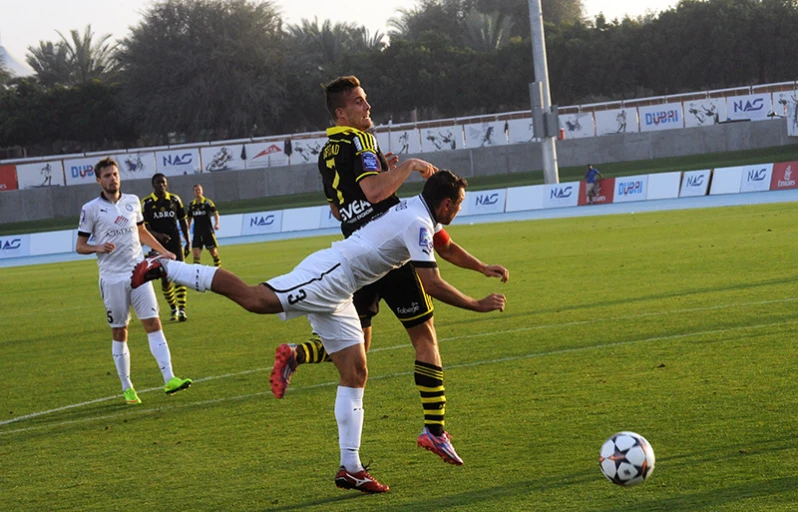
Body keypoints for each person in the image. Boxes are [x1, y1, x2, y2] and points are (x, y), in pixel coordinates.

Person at [131, 170, 506, 493]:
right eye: (459, 203)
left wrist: (482, 267)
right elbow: (432, 283)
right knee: (255, 299)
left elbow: (447, 247)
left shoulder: (421, 214)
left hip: (343, 290)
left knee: (355, 370)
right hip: (330, 274)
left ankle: (352, 469)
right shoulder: (416, 222)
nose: (460, 209)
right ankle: (166, 267)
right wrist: (477, 303)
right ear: (445, 203)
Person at [270, 75, 509, 467]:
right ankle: (435, 431)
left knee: (356, 351)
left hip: (355, 255)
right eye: (360, 103)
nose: (368, 108)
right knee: (425, 337)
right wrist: (408, 166)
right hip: (386, 253)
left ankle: (298, 354)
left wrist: (385, 170)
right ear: (341, 112)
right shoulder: (361, 140)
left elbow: (340, 207)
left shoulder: (326, 153)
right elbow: (376, 193)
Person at [76, 157, 193, 405]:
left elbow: (141, 232)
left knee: (154, 323)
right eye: (107, 175)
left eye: (115, 174)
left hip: (138, 274)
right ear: (99, 180)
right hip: (112, 279)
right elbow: (80, 246)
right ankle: (127, 386)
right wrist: (98, 247)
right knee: (120, 332)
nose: (112, 179)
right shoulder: (91, 209)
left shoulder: (132, 202)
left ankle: (169, 378)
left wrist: (165, 251)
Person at [141, 174, 192, 321]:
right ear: (153, 185)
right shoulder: (147, 203)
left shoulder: (175, 200)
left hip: (175, 243)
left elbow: (183, 222)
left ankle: (182, 310)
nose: (161, 185)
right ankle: (173, 308)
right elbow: (144, 227)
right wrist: (158, 235)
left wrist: (188, 241)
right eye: (158, 183)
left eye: (163, 182)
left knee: (180, 275)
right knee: (165, 279)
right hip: (158, 245)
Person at [187, 184, 222, 267]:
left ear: (202, 191)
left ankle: (218, 270)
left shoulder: (207, 202)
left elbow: (215, 213)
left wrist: (217, 223)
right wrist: (187, 227)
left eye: (199, 190)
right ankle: (197, 273)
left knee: (213, 253)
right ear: (193, 192)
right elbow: (189, 217)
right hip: (197, 233)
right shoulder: (191, 205)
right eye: (196, 190)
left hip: (208, 232)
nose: (197, 191)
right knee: (195, 254)